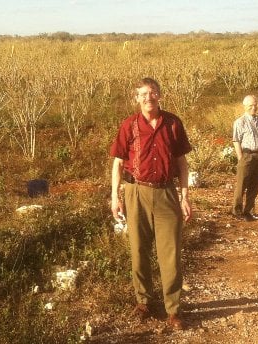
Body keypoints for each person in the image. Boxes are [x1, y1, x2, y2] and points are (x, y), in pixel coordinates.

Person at [109, 77, 192, 331]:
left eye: (153, 92)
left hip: (166, 193)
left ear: (160, 96)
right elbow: (118, 164)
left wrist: (185, 195)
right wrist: (116, 196)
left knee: (170, 254)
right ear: (137, 98)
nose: (149, 97)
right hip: (136, 193)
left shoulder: (173, 123)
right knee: (139, 250)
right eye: (143, 94)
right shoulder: (129, 125)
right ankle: (144, 302)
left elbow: (181, 163)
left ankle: (173, 310)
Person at [232, 95, 258, 221]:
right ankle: (237, 211)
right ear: (245, 106)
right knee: (241, 185)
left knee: (255, 185)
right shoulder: (239, 122)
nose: (253, 107)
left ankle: (249, 211)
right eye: (250, 105)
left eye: (255, 105)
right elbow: (236, 141)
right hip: (247, 155)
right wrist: (241, 157)